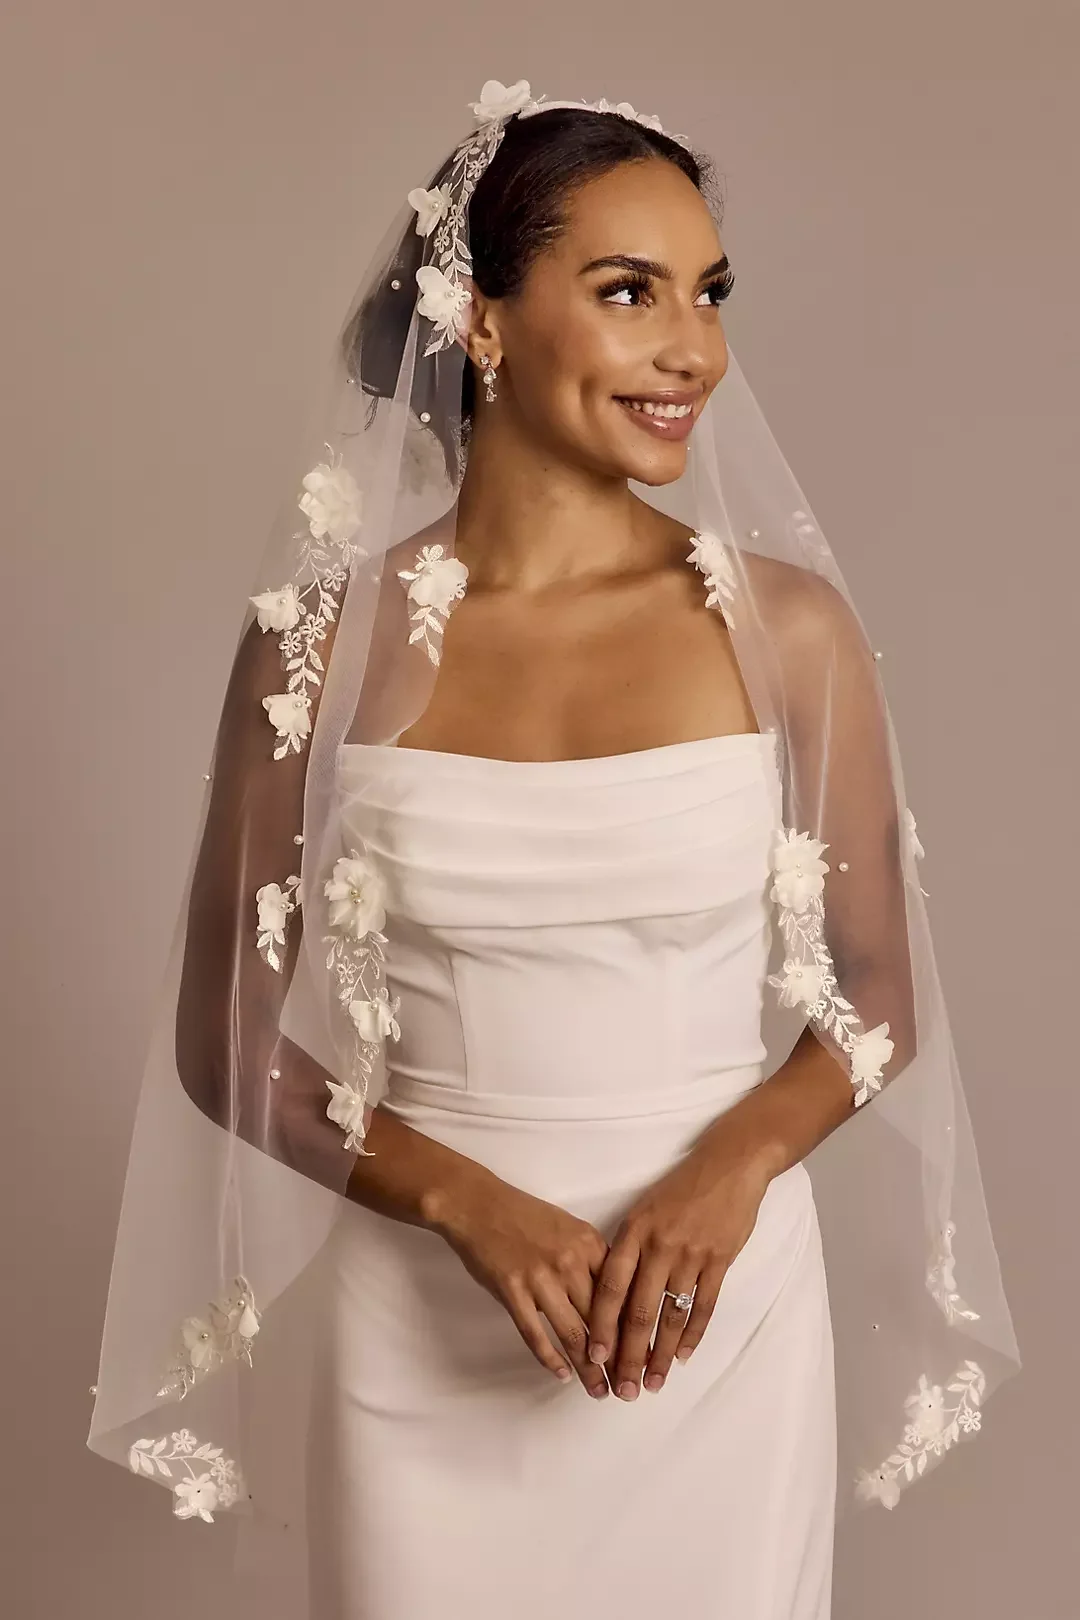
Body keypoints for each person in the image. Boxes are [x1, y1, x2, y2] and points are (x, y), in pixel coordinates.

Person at [88, 80, 1020, 1619]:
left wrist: (733, 1167)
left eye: (710, 292)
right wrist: (463, 1202)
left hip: (712, 1321)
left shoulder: (787, 632)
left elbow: (876, 997)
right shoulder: (318, 650)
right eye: (630, 291)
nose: (695, 349)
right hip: (420, 1328)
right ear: (484, 322)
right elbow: (225, 1037)